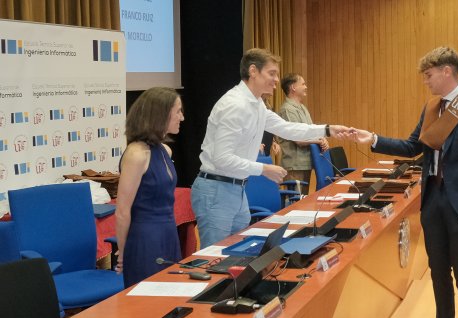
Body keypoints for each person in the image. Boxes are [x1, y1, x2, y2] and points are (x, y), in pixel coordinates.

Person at [345, 46, 458, 318]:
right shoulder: (431, 107)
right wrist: (372, 139)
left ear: (447, 72)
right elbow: (412, 146)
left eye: (429, 75)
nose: (426, 82)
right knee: (438, 271)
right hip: (433, 200)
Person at [191, 48, 353, 248]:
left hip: (237, 188)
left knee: (236, 254)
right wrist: (263, 169)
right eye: (272, 73)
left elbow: (287, 128)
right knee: (214, 258)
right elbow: (221, 158)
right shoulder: (234, 105)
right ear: (253, 71)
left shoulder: (257, 104)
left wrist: (328, 129)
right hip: (217, 189)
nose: (277, 80)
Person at [115, 87, 184, 288]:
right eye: (178, 111)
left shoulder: (164, 150)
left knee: (171, 293)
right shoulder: (136, 154)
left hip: (168, 233)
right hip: (145, 239)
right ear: (160, 114)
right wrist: (122, 251)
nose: (182, 117)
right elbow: (122, 211)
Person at [277, 73, 329, 195]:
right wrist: (318, 141)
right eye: (303, 84)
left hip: (305, 163)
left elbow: (311, 131)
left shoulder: (302, 108)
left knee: (303, 198)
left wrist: (323, 138)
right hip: (294, 165)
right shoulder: (287, 109)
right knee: (295, 201)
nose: (306, 87)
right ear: (293, 87)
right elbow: (298, 139)